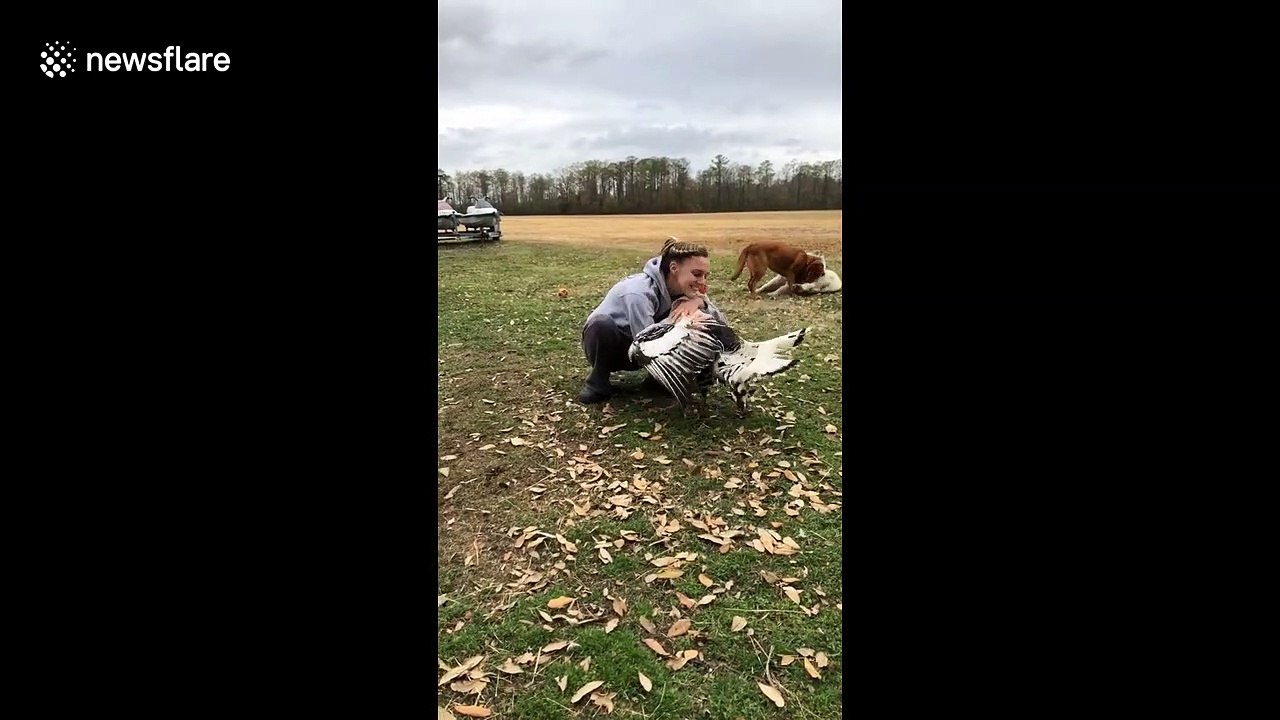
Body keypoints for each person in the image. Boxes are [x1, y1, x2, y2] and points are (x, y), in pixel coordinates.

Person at [578, 237, 729, 404]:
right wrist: (676, 320)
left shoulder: (689, 290)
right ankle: (597, 382)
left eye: (705, 275)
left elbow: (722, 325)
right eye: (697, 274)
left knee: (701, 323)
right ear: (674, 268)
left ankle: (657, 382)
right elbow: (645, 340)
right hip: (615, 346)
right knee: (601, 324)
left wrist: (699, 303)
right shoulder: (638, 292)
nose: (702, 282)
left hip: (643, 348)